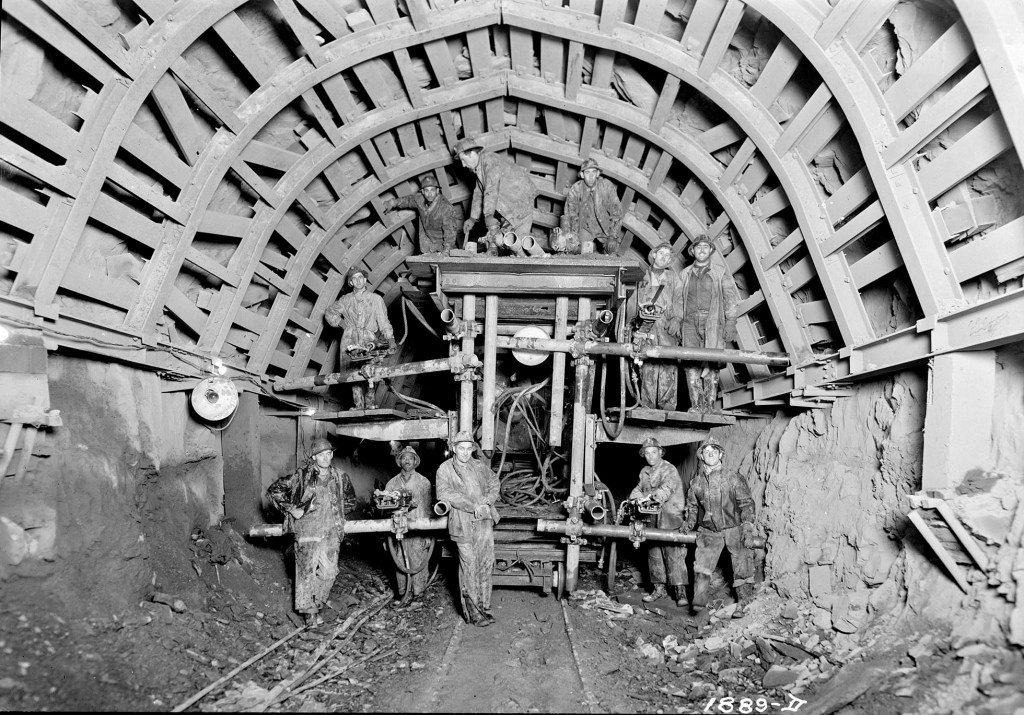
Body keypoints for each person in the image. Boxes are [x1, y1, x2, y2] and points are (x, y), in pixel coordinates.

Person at [266, 437, 358, 626]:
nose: (325, 457)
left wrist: (337, 513)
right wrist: (292, 509)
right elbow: (274, 490)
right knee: (305, 573)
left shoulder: (341, 476)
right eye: (321, 455)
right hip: (307, 531)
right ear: (314, 457)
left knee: (329, 573)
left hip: (331, 533)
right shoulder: (301, 476)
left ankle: (316, 604)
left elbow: (350, 500)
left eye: (328, 453)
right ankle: (310, 615)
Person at [683, 436, 757, 618]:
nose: (710, 455)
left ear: (720, 454)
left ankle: (744, 602)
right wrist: (688, 524)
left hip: (733, 528)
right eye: (706, 452)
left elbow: (746, 504)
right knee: (701, 565)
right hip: (709, 531)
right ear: (701, 456)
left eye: (714, 452)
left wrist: (747, 527)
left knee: (742, 563)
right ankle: (699, 604)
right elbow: (692, 507)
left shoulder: (733, 478)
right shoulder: (696, 483)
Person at [435, 431, 500, 626]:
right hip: (462, 523)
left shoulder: (480, 466)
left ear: (473, 449)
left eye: (468, 448)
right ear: (453, 448)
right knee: (469, 565)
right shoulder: (444, 469)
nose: (464, 452)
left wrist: (487, 502)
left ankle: (485, 607)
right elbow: (445, 493)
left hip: (484, 522)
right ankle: (473, 612)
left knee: (486, 563)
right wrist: (473, 506)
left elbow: (494, 482)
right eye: (460, 448)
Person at [673, 235, 740, 412]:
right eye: (698, 247)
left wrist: (731, 322)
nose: (701, 250)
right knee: (691, 360)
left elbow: (730, 297)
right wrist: (677, 318)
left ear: (710, 251)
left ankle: (709, 404)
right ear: (692, 251)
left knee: (713, 360)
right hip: (689, 322)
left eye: (705, 247)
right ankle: (696, 404)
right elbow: (679, 299)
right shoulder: (684, 274)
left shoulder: (720, 272)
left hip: (713, 320)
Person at [324, 267, 396, 410]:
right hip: (349, 339)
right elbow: (329, 313)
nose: (358, 281)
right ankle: (358, 406)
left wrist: (390, 339)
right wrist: (342, 324)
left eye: (360, 277)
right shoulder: (345, 300)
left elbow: (383, 321)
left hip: (368, 338)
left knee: (371, 370)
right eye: (354, 278)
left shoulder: (375, 299)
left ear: (365, 280)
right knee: (352, 373)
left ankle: (370, 404)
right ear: (351, 282)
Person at [629, 437, 689, 607]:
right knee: (654, 554)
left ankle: (680, 592)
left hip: (670, 517)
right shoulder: (644, 472)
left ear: (660, 452)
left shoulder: (669, 469)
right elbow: (638, 489)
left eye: (654, 452)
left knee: (674, 555)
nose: (650, 456)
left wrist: (650, 499)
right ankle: (659, 589)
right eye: (647, 453)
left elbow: (666, 489)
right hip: (652, 518)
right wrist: (634, 499)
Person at [453, 137, 537, 255]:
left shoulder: (489, 161)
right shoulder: (479, 168)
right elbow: (478, 193)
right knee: (508, 243)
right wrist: (472, 218)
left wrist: (488, 216)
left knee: (516, 243)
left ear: (472, 154)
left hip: (520, 202)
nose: (463, 165)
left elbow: (491, 189)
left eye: (463, 160)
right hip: (510, 204)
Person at [630, 241, 685, 410]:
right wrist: (633, 328)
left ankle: (667, 408)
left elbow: (679, 299)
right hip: (646, 326)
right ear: (653, 255)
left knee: (668, 365)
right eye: (661, 253)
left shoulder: (673, 277)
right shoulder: (641, 275)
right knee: (647, 367)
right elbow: (632, 302)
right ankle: (647, 407)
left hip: (667, 327)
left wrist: (677, 319)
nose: (664, 257)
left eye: (668, 255)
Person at [384, 446, 435, 607]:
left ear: (415, 462)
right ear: (399, 461)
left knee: (417, 559)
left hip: (418, 527)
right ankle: (404, 592)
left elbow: (428, 509)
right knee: (399, 560)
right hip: (398, 528)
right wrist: (386, 537)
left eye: (410, 458)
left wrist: (429, 534)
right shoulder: (392, 483)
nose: (407, 461)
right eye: (404, 458)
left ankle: (418, 593)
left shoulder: (423, 482)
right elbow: (385, 509)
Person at [382, 175, 461, 255]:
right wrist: (393, 203)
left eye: (432, 190)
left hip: (442, 244)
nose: (430, 194)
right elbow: (408, 200)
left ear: (437, 190)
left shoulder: (446, 208)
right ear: (422, 192)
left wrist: (446, 251)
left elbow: (450, 233)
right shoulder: (419, 199)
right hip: (427, 243)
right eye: (426, 190)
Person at [560, 158, 624, 254]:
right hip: (585, 228)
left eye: (593, 172)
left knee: (612, 251)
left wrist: (613, 236)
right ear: (582, 175)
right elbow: (570, 215)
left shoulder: (606, 186)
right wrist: (572, 238)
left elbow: (617, 213)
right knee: (581, 253)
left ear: (598, 173)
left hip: (605, 228)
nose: (591, 176)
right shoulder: (575, 189)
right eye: (587, 173)